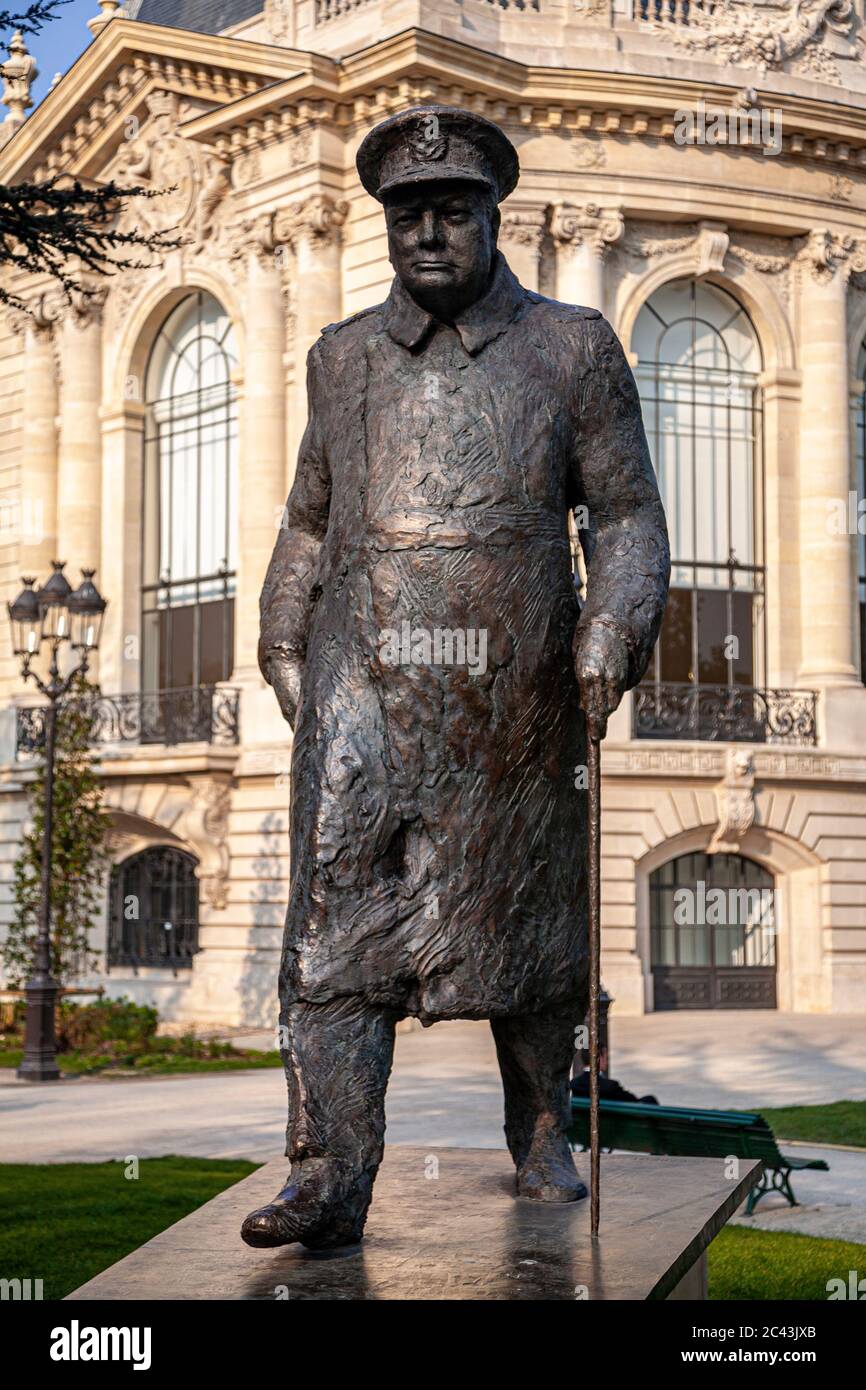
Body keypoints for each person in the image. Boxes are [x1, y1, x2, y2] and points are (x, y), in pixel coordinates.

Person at [241, 105, 670, 1250]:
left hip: (517, 687)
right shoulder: (339, 357)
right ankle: (328, 1174)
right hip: (361, 689)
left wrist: (609, 636)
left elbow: (625, 517)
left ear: (492, 216)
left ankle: (539, 1126)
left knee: (526, 935)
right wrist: (281, 634)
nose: (427, 232)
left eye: (451, 210)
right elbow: (307, 519)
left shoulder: (571, 345)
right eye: (406, 215)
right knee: (330, 940)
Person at [570, 1048, 659, 1106]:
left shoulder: (575, 1084)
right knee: (650, 1100)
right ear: (598, 1058)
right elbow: (633, 1101)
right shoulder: (609, 1086)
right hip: (615, 1129)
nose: (607, 1062)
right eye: (606, 1058)